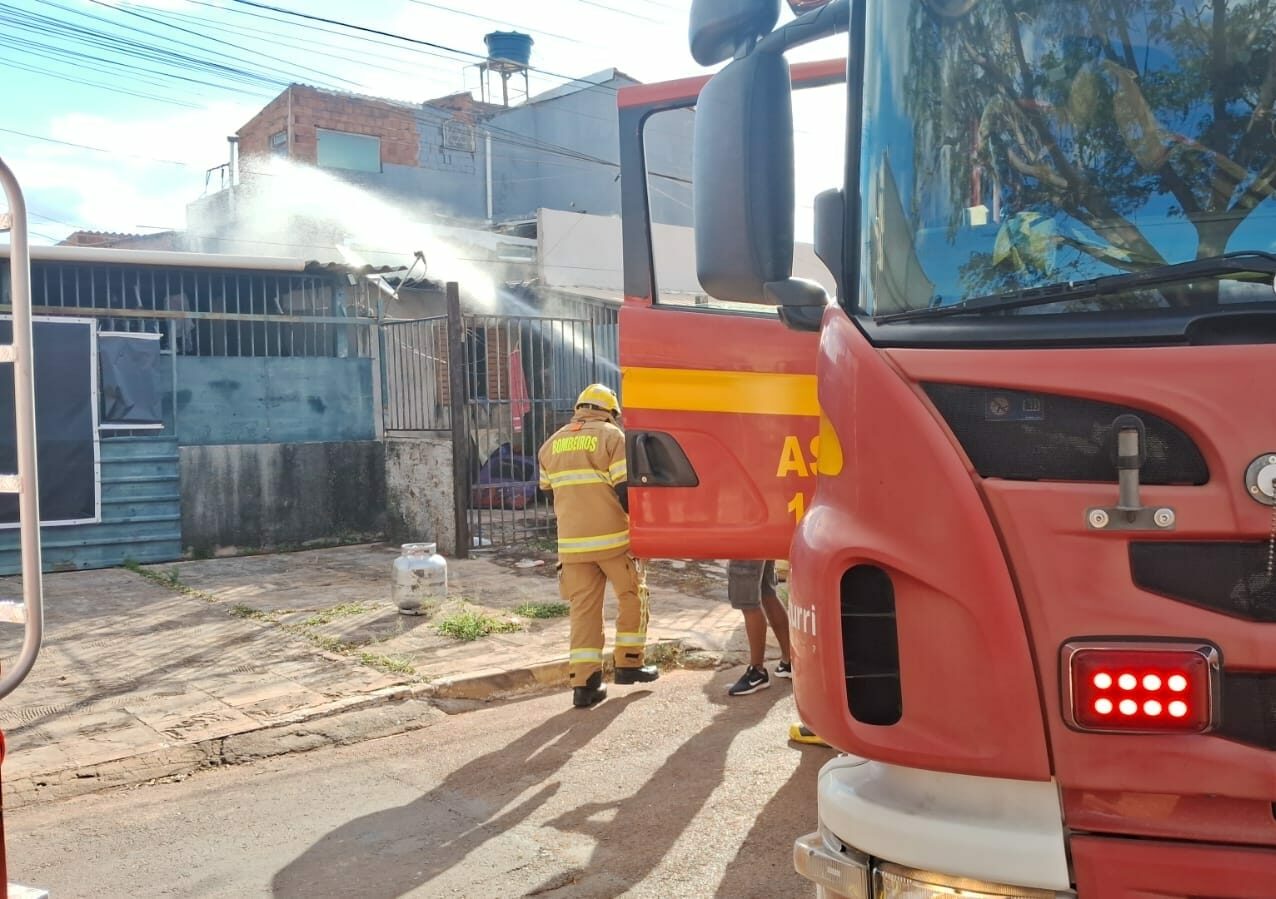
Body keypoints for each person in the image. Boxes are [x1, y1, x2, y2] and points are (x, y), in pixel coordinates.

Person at [538, 383, 657, 709]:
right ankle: (629, 664)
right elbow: (624, 491)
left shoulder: (550, 445)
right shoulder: (612, 437)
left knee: (583, 613)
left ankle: (585, 684)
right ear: (610, 412)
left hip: (572, 547)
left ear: (579, 409)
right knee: (633, 596)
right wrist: (646, 529)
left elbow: (550, 495)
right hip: (614, 542)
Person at [726, 560, 793, 696]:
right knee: (766, 592)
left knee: (749, 602)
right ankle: (790, 662)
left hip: (745, 543)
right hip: (764, 540)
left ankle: (757, 672)